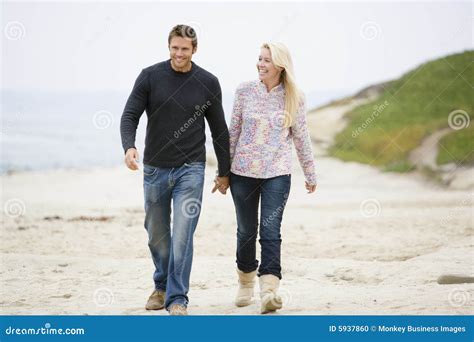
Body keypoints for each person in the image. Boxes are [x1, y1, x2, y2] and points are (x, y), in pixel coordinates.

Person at [120, 24, 230, 315]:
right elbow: (130, 114)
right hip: (155, 169)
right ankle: (161, 284)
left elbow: (219, 129)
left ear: (195, 49)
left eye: (185, 49)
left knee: (182, 234)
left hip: (190, 170)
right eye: (174, 48)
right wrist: (129, 147)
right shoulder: (150, 77)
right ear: (168, 47)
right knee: (156, 233)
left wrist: (224, 171)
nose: (179, 54)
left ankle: (177, 298)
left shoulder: (208, 82)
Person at [228, 42, 317, 314]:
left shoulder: (295, 97)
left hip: (277, 173)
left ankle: (268, 290)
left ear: (280, 66)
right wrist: (223, 173)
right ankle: (245, 282)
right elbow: (233, 132)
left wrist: (310, 172)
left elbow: (301, 137)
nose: (260, 64)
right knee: (246, 231)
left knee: (270, 231)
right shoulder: (244, 91)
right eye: (259, 59)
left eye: (266, 60)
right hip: (242, 172)